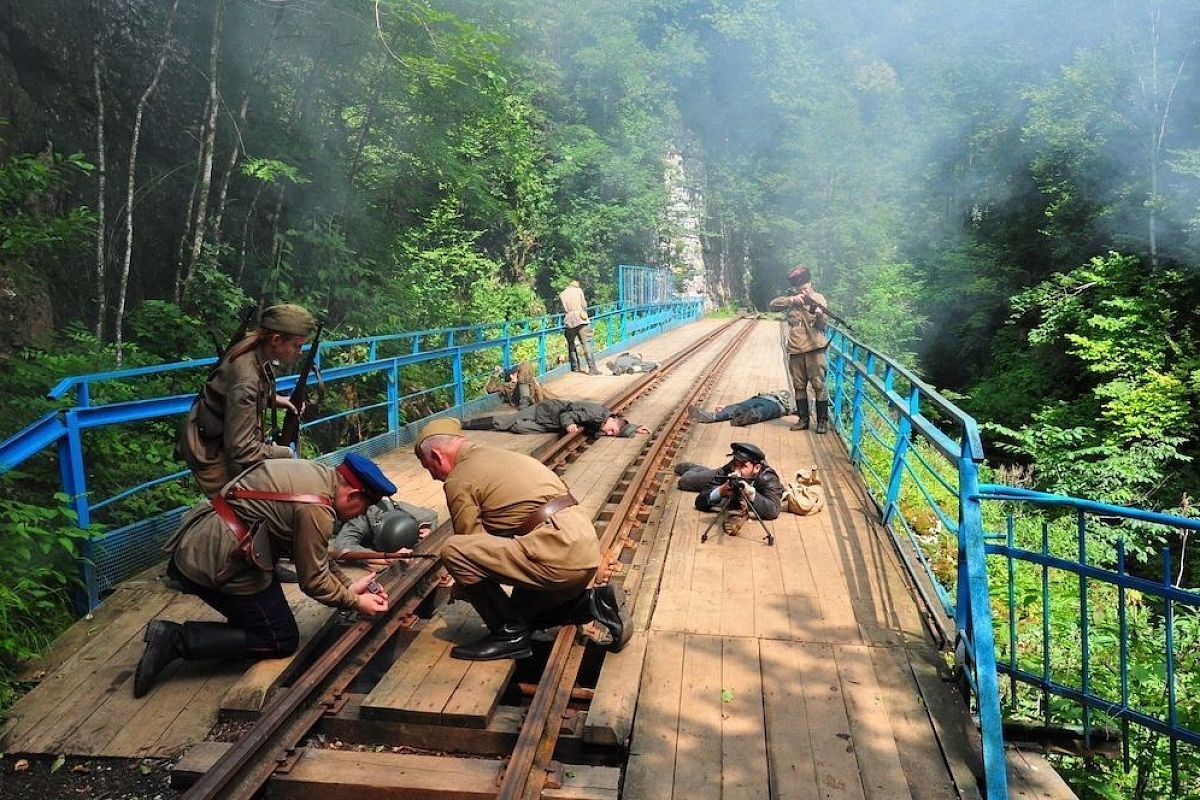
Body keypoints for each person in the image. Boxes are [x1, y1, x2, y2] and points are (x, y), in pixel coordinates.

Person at [133, 454, 395, 698]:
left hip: (205, 543)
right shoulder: (316, 508)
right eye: (363, 508)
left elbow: (314, 550)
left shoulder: (317, 475)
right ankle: (174, 640)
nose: (360, 515)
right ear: (353, 495)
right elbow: (313, 581)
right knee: (280, 639)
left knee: (263, 618)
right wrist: (356, 602)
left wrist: (349, 586)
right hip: (217, 560)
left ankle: (225, 629)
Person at [413, 417, 630, 661]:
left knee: (453, 549)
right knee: (520, 615)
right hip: (581, 548)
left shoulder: (459, 477)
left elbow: (470, 543)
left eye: (428, 467)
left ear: (437, 456)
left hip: (557, 554)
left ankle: (509, 638)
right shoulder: (499, 455)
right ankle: (597, 603)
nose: (433, 477)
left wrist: (463, 587)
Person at [176, 303, 317, 496]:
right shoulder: (246, 378)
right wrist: (284, 453)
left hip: (218, 435)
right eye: (297, 345)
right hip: (211, 451)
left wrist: (277, 400)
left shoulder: (253, 342)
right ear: (276, 339)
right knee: (241, 509)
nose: (299, 352)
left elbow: (242, 392)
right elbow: (242, 449)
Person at [768, 266, 830, 434]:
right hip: (795, 348)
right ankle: (803, 419)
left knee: (818, 385)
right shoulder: (792, 299)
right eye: (800, 288)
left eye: (805, 287)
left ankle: (822, 421)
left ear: (810, 282)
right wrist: (792, 300)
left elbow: (823, 325)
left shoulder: (818, 298)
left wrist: (818, 314)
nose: (804, 290)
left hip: (814, 348)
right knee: (799, 385)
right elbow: (773, 305)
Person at [675, 442, 784, 535]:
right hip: (716, 475)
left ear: (757, 468)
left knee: (693, 478)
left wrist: (750, 493)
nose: (737, 469)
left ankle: (703, 471)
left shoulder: (768, 478)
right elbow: (700, 502)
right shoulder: (729, 469)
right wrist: (720, 491)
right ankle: (694, 469)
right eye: (735, 464)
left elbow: (773, 510)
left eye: (743, 466)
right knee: (685, 481)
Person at [331, 497, 438, 571]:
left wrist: (426, 528)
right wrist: (385, 558)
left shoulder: (398, 507)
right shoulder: (359, 521)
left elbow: (430, 516)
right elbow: (342, 548)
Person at [462, 399, 649, 438]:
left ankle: (522, 411)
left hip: (550, 423)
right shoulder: (594, 415)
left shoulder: (606, 418)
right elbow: (567, 415)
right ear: (612, 421)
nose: (608, 434)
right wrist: (569, 425)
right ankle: (467, 424)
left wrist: (635, 427)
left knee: (518, 428)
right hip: (547, 411)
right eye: (612, 431)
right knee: (505, 422)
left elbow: (622, 422)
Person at [688, 389, 793, 427]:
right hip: (760, 398)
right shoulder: (776, 392)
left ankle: (745, 418)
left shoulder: (795, 400)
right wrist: (727, 407)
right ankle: (710, 416)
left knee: (760, 411)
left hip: (777, 406)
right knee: (739, 407)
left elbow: (802, 409)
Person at [559, 279, 601, 375]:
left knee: (571, 344)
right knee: (586, 344)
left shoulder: (562, 294)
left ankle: (575, 367)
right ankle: (592, 369)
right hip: (581, 318)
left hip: (569, 320)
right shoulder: (578, 291)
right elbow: (584, 305)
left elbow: (564, 309)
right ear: (576, 285)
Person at [484, 360, 556, 409]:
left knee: (526, 365)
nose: (520, 375)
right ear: (511, 376)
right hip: (519, 398)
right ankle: (525, 401)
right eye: (518, 374)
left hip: (533, 396)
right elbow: (489, 389)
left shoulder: (530, 381)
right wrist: (496, 374)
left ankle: (530, 402)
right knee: (525, 363)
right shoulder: (506, 385)